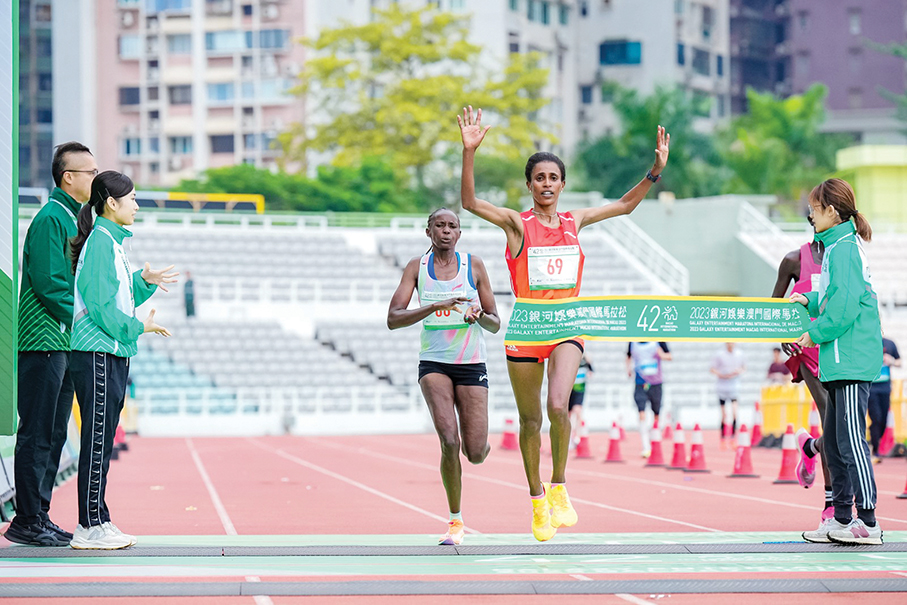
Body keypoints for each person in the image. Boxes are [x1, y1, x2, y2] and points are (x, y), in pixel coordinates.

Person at [458, 105, 669, 541]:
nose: (547, 184)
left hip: (568, 327)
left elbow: (625, 206)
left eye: (554, 178)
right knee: (530, 420)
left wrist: (654, 172)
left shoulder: (576, 222)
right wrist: (469, 152)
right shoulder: (518, 224)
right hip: (527, 331)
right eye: (539, 178)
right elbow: (470, 203)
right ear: (530, 184)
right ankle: (536, 499)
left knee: (560, 405)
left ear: (563, 184)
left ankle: (559, 486)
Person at [68, 171, 178, 549]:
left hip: (109, 351)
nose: (135, 204)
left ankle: (98, 518)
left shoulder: (111, 242)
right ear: (111, 203)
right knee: (97, 441)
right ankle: (89, 526)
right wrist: (137, 328)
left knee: (101, 441)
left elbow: (116, 292)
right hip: (97, 352)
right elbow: (99, 305)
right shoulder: (101, 242)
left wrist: (143, 280)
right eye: (130, 198)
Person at [387, 208, 500, 546]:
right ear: (428, 232)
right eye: (440, 225)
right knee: (449, 440)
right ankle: (455, 521)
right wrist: (435, 308)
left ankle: (479, 442)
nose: (446, 231)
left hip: (471, 362)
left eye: (453, 226)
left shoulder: (474, 266)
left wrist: (477, 315)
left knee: (475, 451)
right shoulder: (416, 267)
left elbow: (494, 323)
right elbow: (393, 318)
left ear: (460, 234)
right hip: (434, 362)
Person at [5, 142, 97, 546]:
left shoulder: (70, 217)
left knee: (55, 433)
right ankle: (26, 519)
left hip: (62, 339)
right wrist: (87, 319)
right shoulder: (50, 220)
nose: (96, 178)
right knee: (38, 431)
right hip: (43, 339)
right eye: (89, 172)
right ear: (69, 177)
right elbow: (49, 284)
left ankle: (38, 514)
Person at [791, 177, 883, 545]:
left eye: (814, 209)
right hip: (839, 358)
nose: (810, 216)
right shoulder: (838, 247)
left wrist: (813, 333)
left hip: (850, 360)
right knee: (834, 443)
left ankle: (870, 521)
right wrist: (809, 301)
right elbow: (832, 298)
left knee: (851, 443)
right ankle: (841, 518)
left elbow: (843, 310)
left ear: (831, 211)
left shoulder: (844, 248)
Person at [771, 227, 835, 536]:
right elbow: (774, 309)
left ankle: (810, 447)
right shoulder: (794, 260)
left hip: (840, 347)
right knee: (831, 418)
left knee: (844, 427)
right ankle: (831, 507)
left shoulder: (847, 258)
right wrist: (784, 334)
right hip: (808, 349)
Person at [627, 342, 671, 457]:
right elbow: (628, 356)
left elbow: (670, 356)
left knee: (656, 414)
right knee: (641, 413)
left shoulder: (658, 340)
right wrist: (628, 369)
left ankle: (654, 439)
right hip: (640, 382)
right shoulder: (633, 341)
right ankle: (645, 446)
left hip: (656, 383)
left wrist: (661, 355)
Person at [868, 336, 900, 462]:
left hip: (885, 387)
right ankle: (875, 449)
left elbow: (900, 361)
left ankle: (874, 442)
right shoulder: (867, 342)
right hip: (871, 388)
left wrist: (891, 361)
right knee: (876, 417)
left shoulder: (889, 343)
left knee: (884, 420)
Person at [710, 342, 745, 448]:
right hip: (722, 387)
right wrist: (721, 374)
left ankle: (733, 437)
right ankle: (723, 438)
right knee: (724, 415)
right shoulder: (719, 354)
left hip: (734, 387)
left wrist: (738, 371)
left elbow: (744, 368)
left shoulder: (740, 354)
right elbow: (712, 369)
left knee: (734, 413)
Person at [568, 354, 594, 449]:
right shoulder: (569, 359)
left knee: (578, 411)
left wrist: (588, 361)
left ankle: (577, 436)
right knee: (568, 415)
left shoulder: (585, 360)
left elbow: (592, 372)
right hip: (569, 390)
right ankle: (569, 438)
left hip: (580, 390)